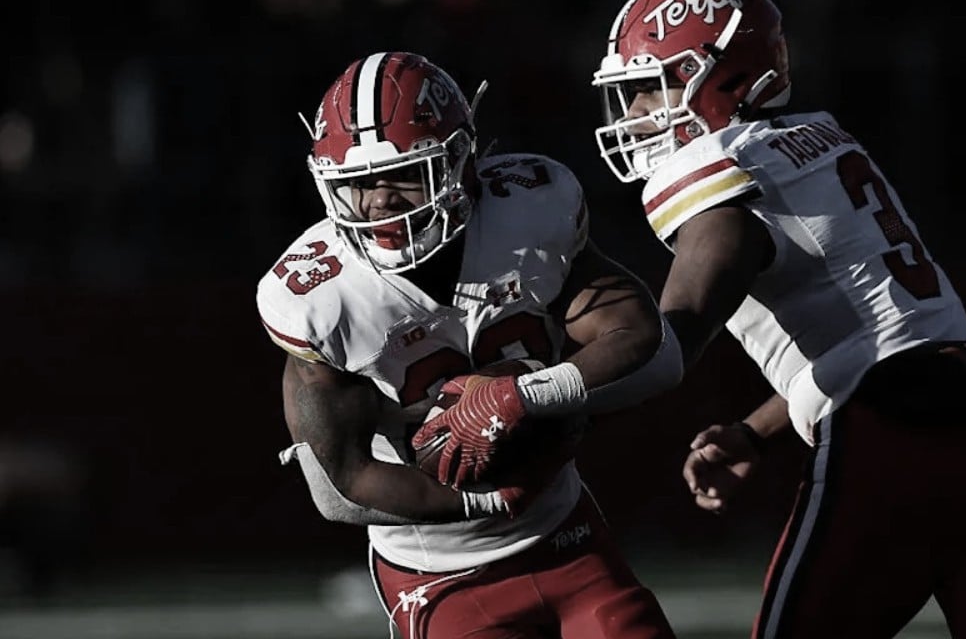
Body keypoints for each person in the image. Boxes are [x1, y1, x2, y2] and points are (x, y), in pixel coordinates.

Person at [590, 0, 966, 638]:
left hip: (896, 440)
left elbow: (670, 344)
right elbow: (881, 339)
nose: (635, 110)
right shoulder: (820, 140)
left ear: (721, 75)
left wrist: (535, 390)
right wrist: (755, 428)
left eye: (652, 85)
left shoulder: (716, 170)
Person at [256, 51, 682, 639]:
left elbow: (640, 335)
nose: (379, 201)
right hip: (437, 569)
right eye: (357, 183)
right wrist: (489, 499)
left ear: (461, 161)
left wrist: (523, 397)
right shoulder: (320, 295)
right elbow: (340, 485)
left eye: (405, 174)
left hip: (564, 534)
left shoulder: (525, 212)